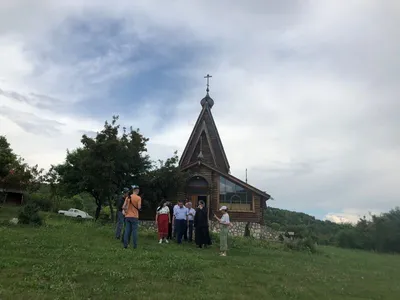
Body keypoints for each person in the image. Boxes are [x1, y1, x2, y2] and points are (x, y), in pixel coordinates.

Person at [122, 185, 142, 249]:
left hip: (127, 216)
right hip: (135, 216)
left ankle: (125, 245)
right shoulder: (138, 198)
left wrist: (126, 211)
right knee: (134, 231)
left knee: (127, 230)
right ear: (137, 190)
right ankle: (135, 246)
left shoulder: (128, 197)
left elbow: (123, 207)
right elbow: (139, 207)